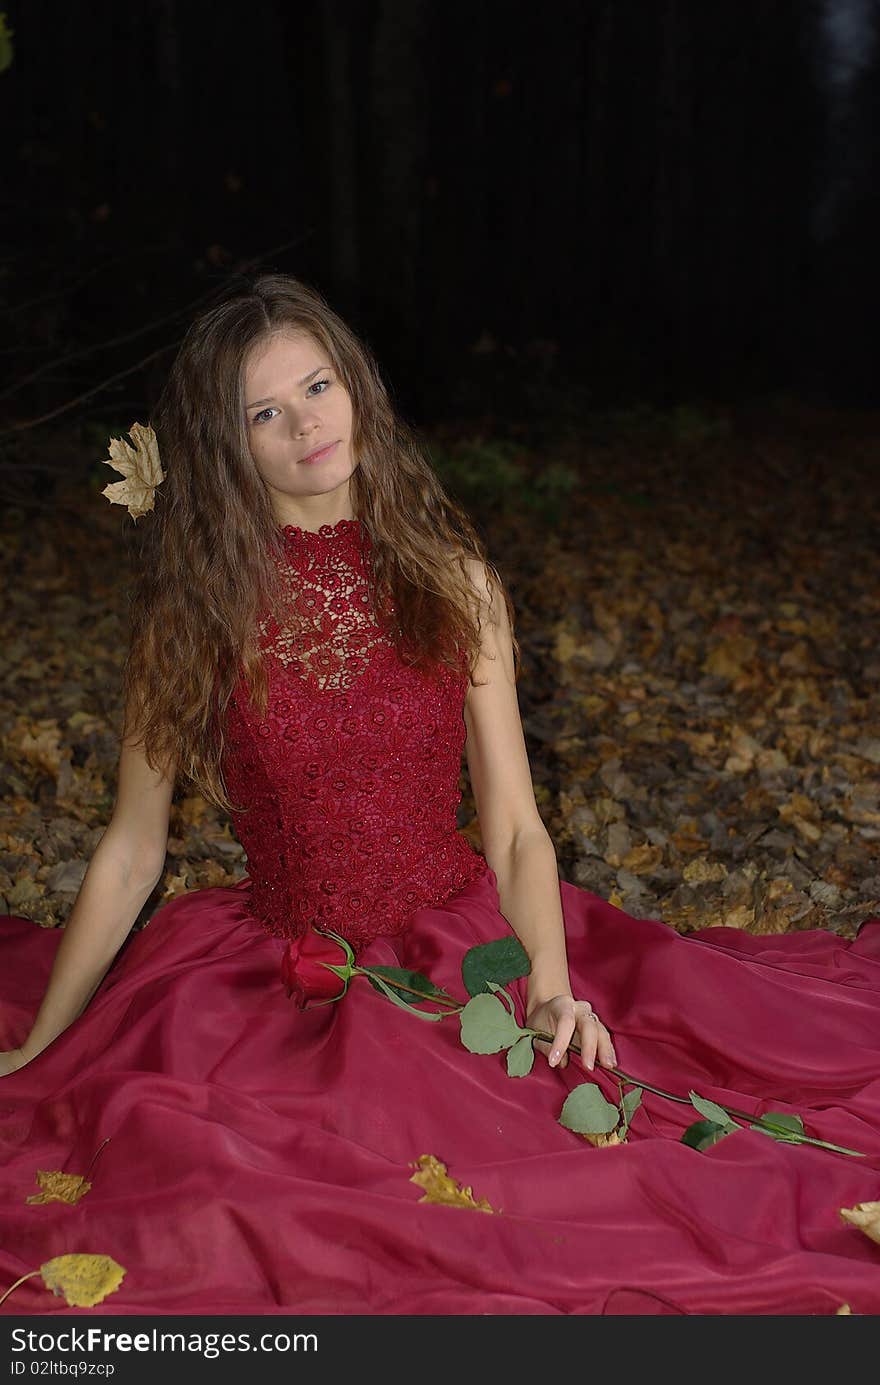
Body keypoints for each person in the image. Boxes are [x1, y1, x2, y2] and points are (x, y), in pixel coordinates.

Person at [0, 274, 878, 1318]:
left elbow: (512, 828)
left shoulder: (453, 580)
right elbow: (133, 849)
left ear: (358, 385)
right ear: (226, 446)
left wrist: (549, 989)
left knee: (555, 1182)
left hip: (453, 952)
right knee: (233, 1197)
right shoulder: (195, 611)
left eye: (318, 385)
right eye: (263, 413)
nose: (305, 426)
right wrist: (45, 1043)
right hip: (263, 972)